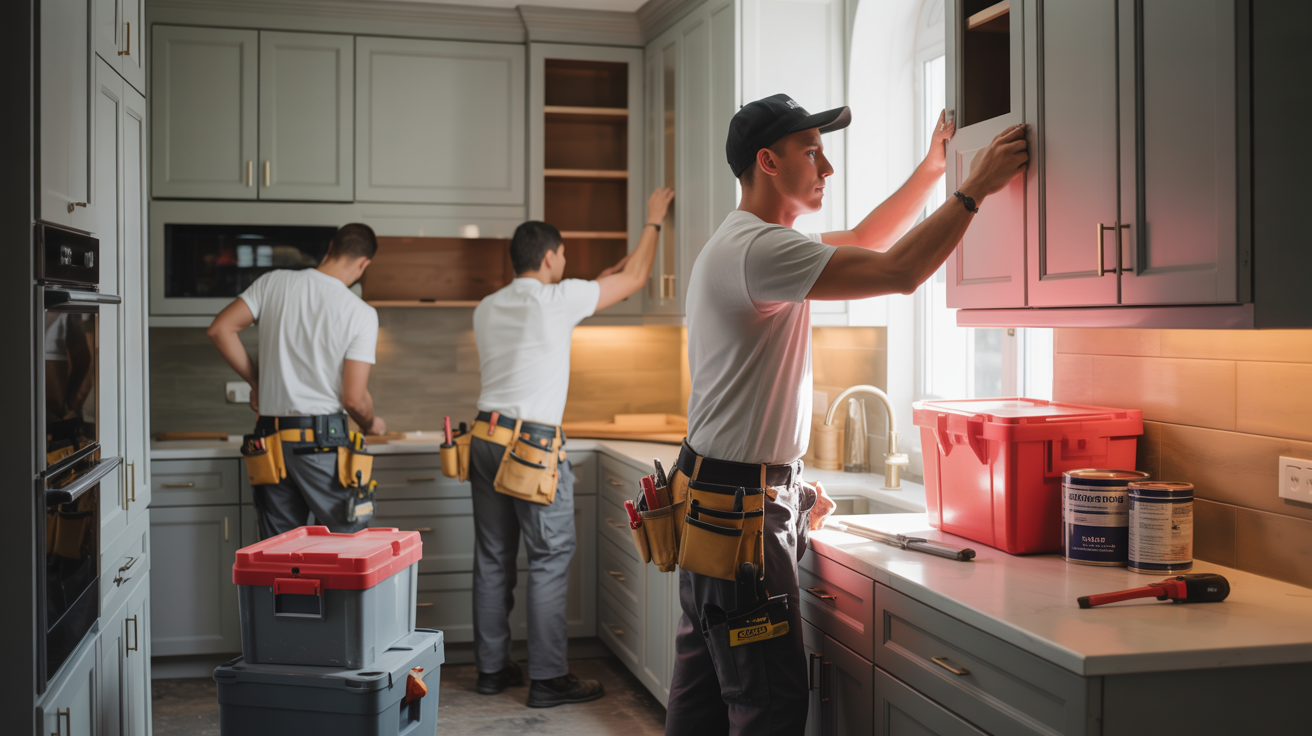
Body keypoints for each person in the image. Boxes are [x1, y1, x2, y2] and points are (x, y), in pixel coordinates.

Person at [665, 94, 1028, 735]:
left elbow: (864, 239)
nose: (826, 167)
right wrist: (975, 189)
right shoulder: (762, 252)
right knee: (768, 708)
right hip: (742, 519)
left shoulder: (746, 242)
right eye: (813, 152)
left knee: (701, 704)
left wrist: (932, 170)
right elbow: (900, 270)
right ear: (768, 160)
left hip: (713, 506)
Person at [469, 187, 675, 708]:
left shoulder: (489, 307)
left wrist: (604, 277)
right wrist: (653, 222)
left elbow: (609, 281)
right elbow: (632, 281)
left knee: (493, 559)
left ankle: (492, 671)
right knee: (548, 557)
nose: (566, 263)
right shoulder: (559, 299)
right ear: (549, 257)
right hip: (531, 448)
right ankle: (547, 678)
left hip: (485, 437)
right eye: (562, 256)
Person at [207, 223, 387, 540]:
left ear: (331, 246)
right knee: (347, 547)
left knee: (282, 556)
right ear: (365, 264)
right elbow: (354, 399)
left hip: (269, 441)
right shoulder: (360, 313)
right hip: (322, 445)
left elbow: (220, 329)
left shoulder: (273, 282)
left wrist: (257, 381)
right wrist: (371, 423)